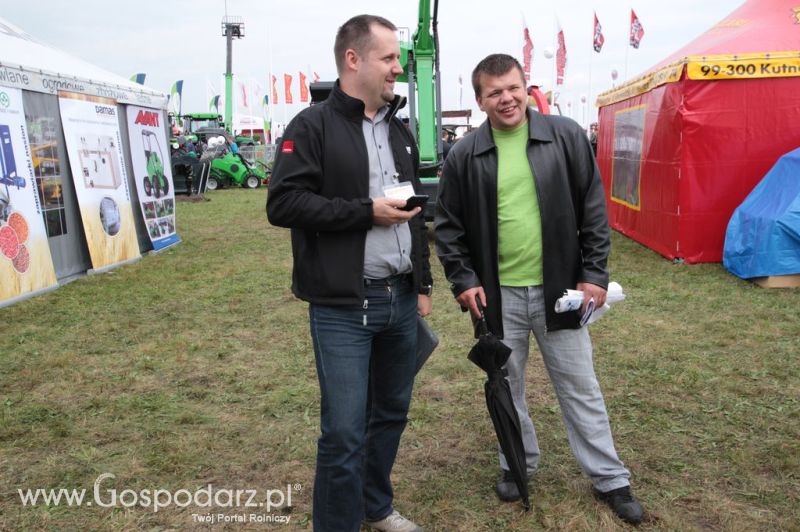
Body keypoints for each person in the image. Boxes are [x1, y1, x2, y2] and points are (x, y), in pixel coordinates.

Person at [434, 53, 644, 526]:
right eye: (494, 92)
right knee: (507, 387)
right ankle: (517, 463)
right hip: (497, 296)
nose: (506, 99)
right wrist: (464, 279)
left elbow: (593, 209)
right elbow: (448, 227)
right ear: (480, 100)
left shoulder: (565, 136)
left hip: (560, 290)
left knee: (580, 386)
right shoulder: (464, 154)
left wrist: (594, 273)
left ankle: (610, 478)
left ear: (526, 87)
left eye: (513, 88)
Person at [267, 14, 433, 532]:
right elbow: (283, 203)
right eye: (389, 58)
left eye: (399, 59)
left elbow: (414, 213)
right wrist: (365, 212)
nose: (398, 68)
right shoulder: (311, 126)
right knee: (342, 432)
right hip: (344, 306)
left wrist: (423, 282)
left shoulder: (400, 129)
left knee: (391, 413)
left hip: (400, 300)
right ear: (353, 59)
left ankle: (375, 506)